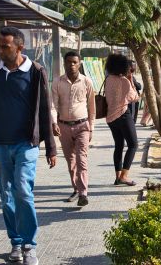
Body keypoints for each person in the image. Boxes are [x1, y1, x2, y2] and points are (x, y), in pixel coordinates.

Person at [0, 26, 57, 265]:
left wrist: (51, 148)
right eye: (0, 45)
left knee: (23, 191)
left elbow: (44, 108)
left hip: (26, 143)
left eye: (6, 47)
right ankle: (15, 242)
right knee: (6, 195)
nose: (0, 50)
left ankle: (29, 244)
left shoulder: (35, 71)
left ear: (20, 47)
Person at [51, 51, 96, 207]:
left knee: (81, 159)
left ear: (79, 63)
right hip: (63, 126)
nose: (71, 65)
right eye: (68, 62)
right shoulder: (57, 82)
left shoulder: (86, 82)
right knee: (71, 161)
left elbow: (92, 107)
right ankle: (76, 189)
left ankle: (83, 193)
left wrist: (91, 128)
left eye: (74, 62)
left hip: (82, 126)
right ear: (64, 63)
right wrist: (54, 122)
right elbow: (53, 105)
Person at [104, 54, 140, 186]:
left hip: (111, 118)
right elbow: (134, 97)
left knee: (118, 146)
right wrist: (130, 80)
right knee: (133, 145)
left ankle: (118, 176)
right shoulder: (124, 81)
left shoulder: (108, 79)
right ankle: (124, 176)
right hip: (123, 115)